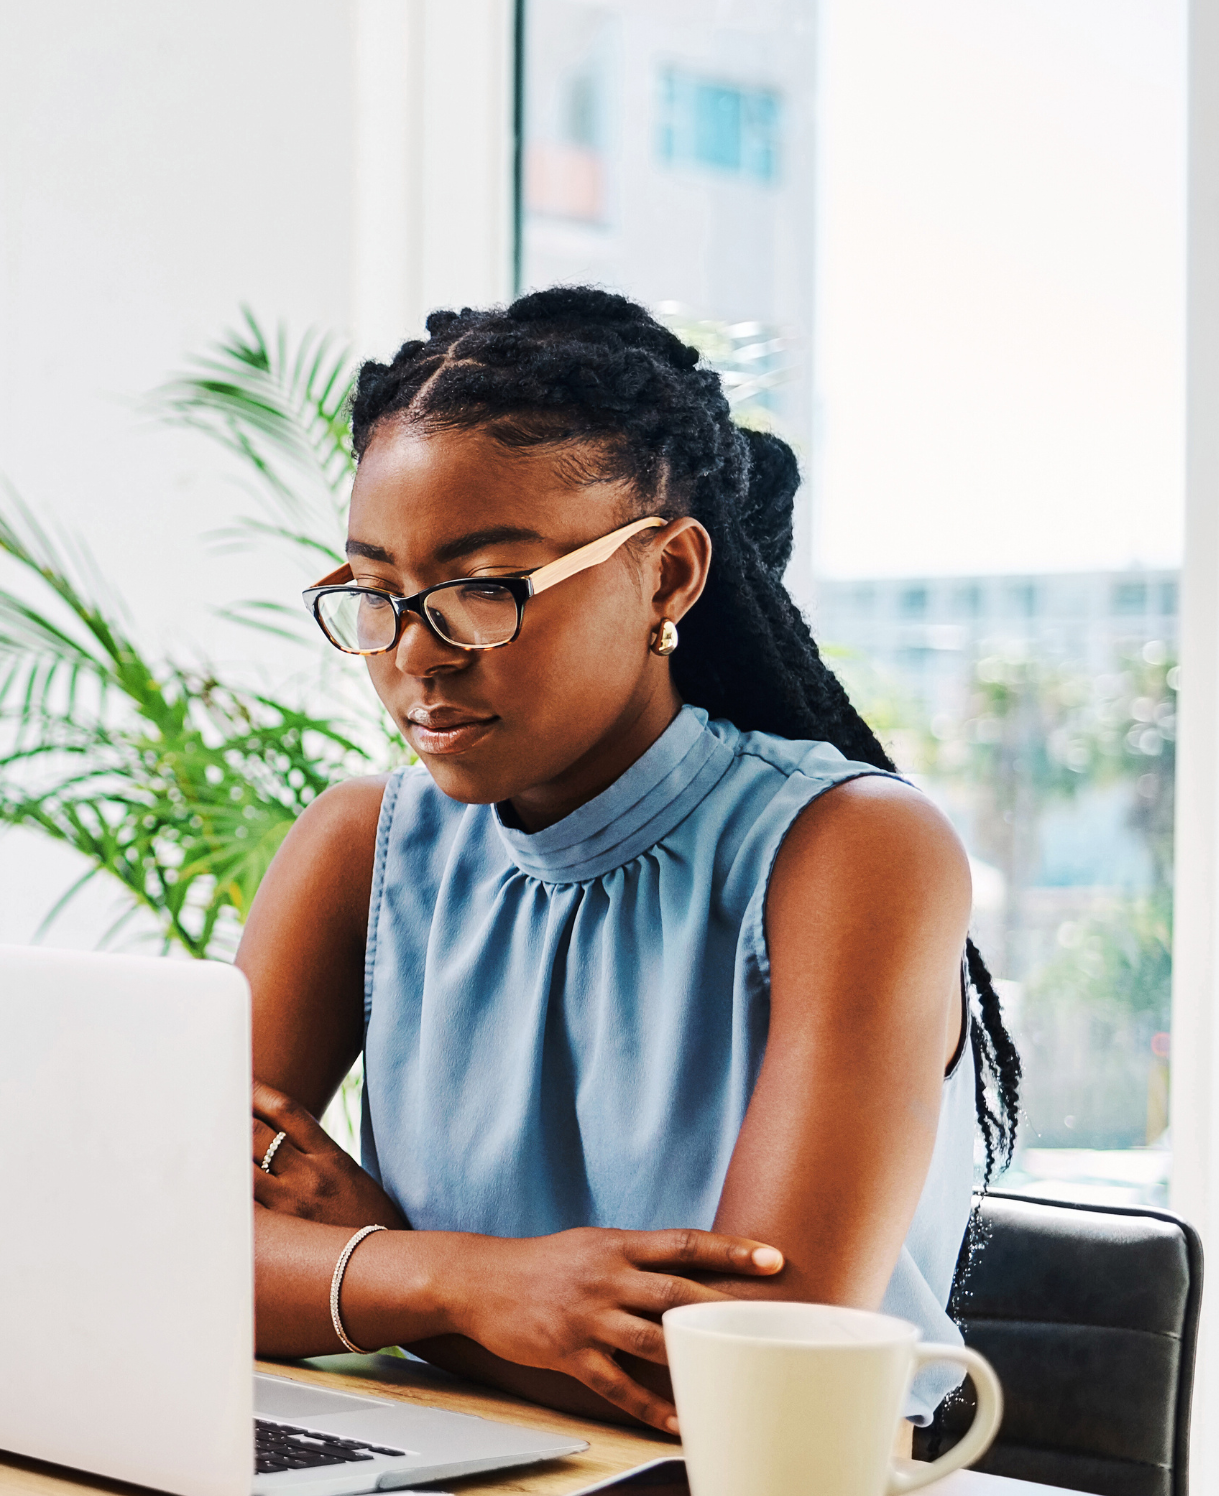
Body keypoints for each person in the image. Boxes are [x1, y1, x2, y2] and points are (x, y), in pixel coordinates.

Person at [239, 286, 1022, 1437]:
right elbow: (163, 1242)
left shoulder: (850, 852)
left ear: (666, 575)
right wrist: (467, 1283)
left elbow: (748, 1381)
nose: (415, 655)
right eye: (375, 593)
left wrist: (380, 1266)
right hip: (449, 1455)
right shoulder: (366, 843)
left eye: (481, 590)